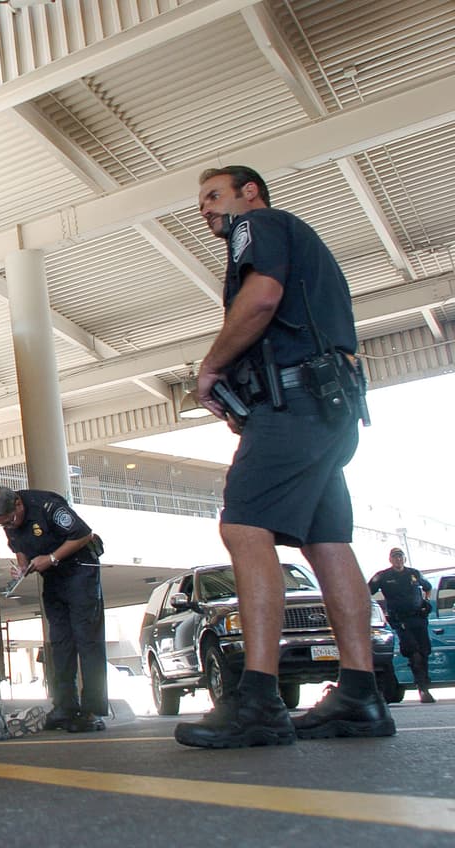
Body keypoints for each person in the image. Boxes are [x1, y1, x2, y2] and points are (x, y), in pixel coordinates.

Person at [176, 165, 394, 748]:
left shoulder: (260, 223)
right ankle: (360, 695)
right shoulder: (301, 240)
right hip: (331, 406)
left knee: (244, 525)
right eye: (202, 201)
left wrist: (212, 367)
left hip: (297, 400)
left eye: (214, 195)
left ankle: (258, 701)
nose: (206, 209)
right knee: (327, 542)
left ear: (250, 192)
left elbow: (262, 297)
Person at [0, 487, 108, 733]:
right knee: (60, 641)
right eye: (2, 524)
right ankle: (65, 705)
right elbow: (17, 544)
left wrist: (51, 558)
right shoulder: (8, 521)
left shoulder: (47, 506)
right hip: (54, 578)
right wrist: (22, 567)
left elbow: (83, 534)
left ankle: (92, 708)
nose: (9, 525)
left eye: (10, 520)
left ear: (18, 504)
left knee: (87, 640)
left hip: (80, 571)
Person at [369, 548, 434, 703]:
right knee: (414, 652)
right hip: (400, 620)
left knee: (424, 652)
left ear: (404, 559)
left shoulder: (414, 573)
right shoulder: (383, 576)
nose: (398, 560)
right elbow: (367, 591)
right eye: (395, 557)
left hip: (418, 618)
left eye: (400, 557)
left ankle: (424, 685)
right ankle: (422, 689)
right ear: (390, 559)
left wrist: (426, 602)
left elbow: (428, 587)